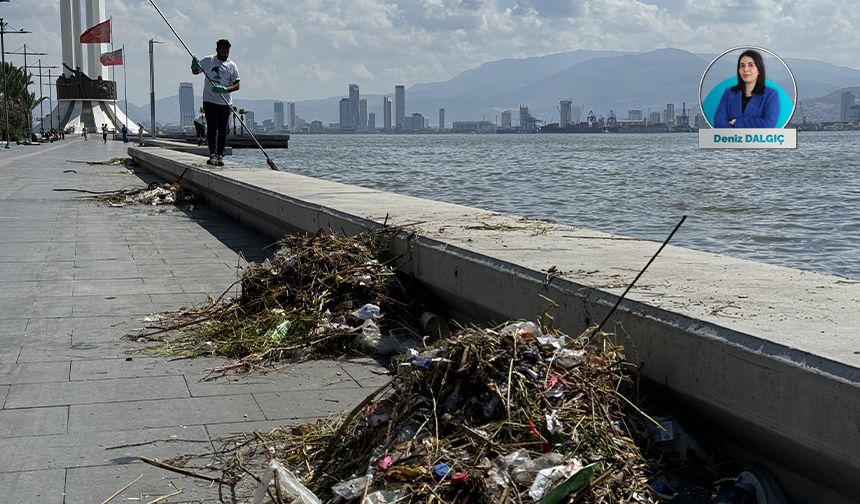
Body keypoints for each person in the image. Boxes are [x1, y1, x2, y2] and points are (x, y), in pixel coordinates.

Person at [191, 39, 240, 166]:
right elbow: (195, 72)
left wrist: (225, 89)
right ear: (217, 50)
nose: (225, 54)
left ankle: (220, 155)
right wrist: (194, 65)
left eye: (227, 52)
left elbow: (237, 85)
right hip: (210, 100)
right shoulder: (208, 61)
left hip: (225, 102)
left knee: (223, 130)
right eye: (223, 51)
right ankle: (212, 154)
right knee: (212, 128)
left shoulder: (232, 66)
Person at [714, 49, 779, 128]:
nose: (745, 69)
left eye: (750, 65)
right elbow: (718, 121)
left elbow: (768, 124)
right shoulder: (729, 93)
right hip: (731, 140)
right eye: (742, 66)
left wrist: (738, 122)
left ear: (759, 69)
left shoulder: (770, 95)